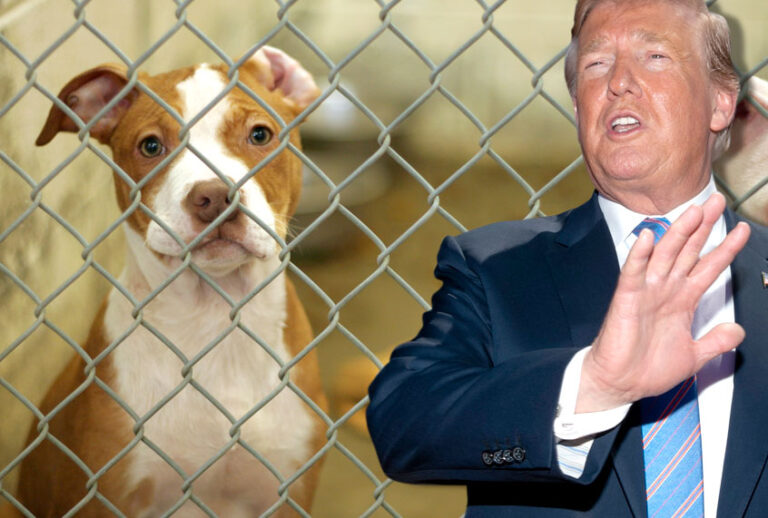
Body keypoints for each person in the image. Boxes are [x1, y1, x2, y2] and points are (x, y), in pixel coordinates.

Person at [366, 0, 768, 516]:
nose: (619, 81)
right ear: (580, 107)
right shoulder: (494, 267)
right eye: (597, 65)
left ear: (721, 103)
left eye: (655, 56)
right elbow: (403, 425)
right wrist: (593, 385)